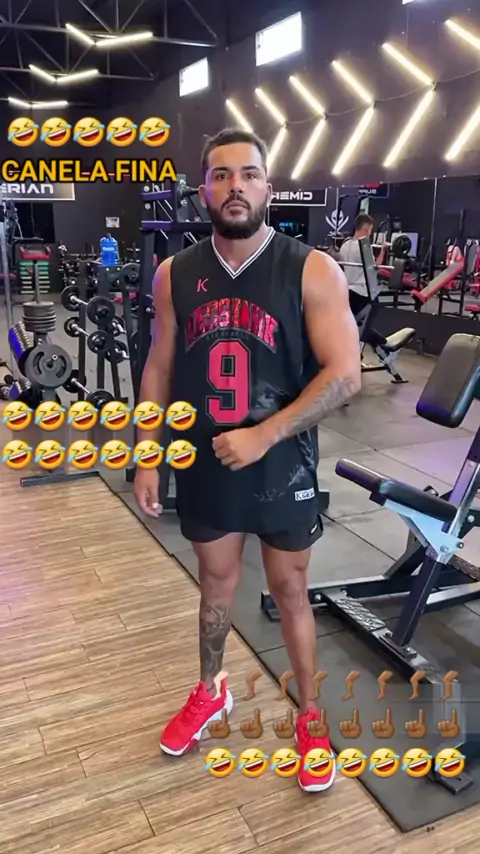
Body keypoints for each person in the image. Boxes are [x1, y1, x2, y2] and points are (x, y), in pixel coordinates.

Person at [134, 128, 361, 793]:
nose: (236, 186)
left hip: (281, 462)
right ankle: (212, 691)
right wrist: (147, 454)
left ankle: (310, 716)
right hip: (205, 460)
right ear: (203, 188)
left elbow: (346, 376)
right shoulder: (175, 274)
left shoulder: (312, 268)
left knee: (290, 590)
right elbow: (159, 365)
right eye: (221, 174)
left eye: (250, 174)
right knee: (215, 584)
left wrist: (266, 434)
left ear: (269, 185)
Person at [339, 213, 388, 351]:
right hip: (364, 293)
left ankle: (380, 343)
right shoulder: (364, 247)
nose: (370, 232)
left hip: (349, 292)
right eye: (370, 229)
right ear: (366, 228)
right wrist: (383, 250)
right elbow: (375, 269)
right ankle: (365, 350)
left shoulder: (345, 245)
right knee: (364, 326)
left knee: (355, 324)